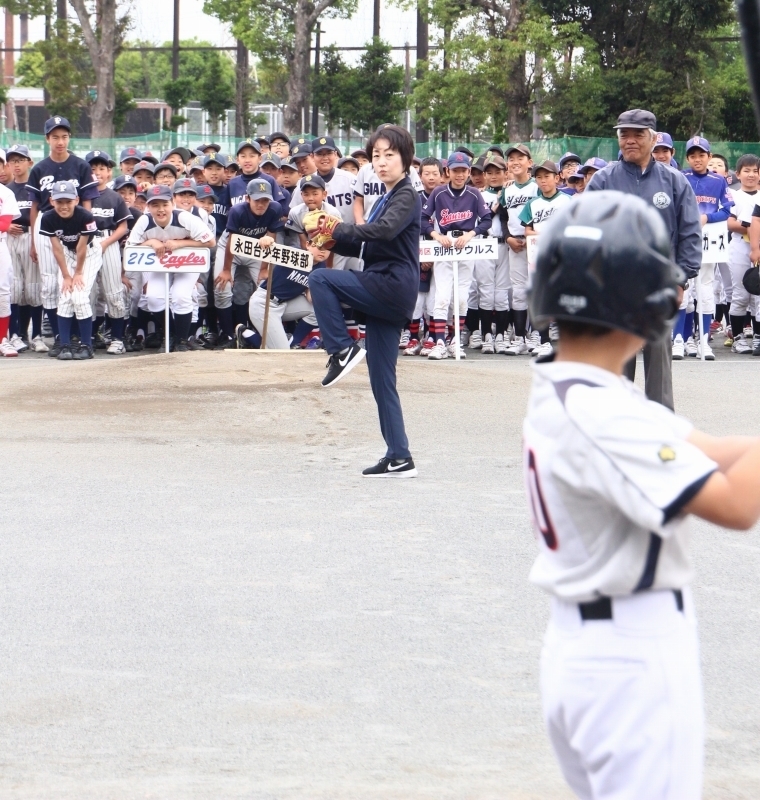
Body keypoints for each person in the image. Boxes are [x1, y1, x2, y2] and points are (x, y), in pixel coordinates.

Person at [524, 188, 760, 800]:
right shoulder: (604, 414)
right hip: (630, 661)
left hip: (590, 651)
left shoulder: (573, 387)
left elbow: (711, 450)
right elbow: (736, 505)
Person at [305, 124, 421, 477]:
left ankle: (342, 349)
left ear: (406, 159)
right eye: (376, 156)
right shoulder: (387, 197)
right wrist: (329, 240)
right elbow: (369, 244)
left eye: (390, 155)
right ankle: (399, 456)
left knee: (320, 278)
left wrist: (334, 227)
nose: (381, 162)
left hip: (391, 285)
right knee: (381, 380)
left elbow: (382, 232)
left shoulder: (407, 194)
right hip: (386, 287)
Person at [586, 108, 702, 411]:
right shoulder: (603, 181)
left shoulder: (675, 181)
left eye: (638, 134)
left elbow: (689, 232)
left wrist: (681, 280)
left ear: (653, 139)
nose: (630, 140)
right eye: (624, 134)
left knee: (659, 364)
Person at [27, 116, 99, 356]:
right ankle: (61, 338)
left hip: (77, 224)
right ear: (47, 139)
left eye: (64, 136)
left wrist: (86, 227)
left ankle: (78, 337)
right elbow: (34, 207)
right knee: (50, 284)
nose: (60, 141)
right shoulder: (39, 168)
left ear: (69, 138)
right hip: (47, 225)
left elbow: (86, 200)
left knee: (77, 286)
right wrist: (33, 241)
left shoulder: (80, 165)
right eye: (55, 137)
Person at [421, 151, 492, 361]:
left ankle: (455, 341)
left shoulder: (474, 193)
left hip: (465, 245)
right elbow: (423, 218)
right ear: (448, 171)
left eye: (463, 170)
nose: (459, 174)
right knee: (442, 295)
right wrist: (435, 235)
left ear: (469, 172)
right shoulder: (439, 192)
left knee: (461, 297)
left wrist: (471, 234)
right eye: (455, 170)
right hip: (445, 244)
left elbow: (486, 219)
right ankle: (439, 342)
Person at [127, 184, 215, 352]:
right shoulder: (145, 220)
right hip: (161, 263)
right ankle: (171, 334)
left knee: (180, 296)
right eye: (155, 205)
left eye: (165, 204)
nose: (161, 209)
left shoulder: (184, 217)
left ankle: (181, 341)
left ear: (172, 204)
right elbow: (131, 246)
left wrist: (181, 243)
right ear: (148, 206)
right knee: (153, 298)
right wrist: (151, 242)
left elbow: (210, 242)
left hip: (186, 261)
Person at [679, 136, 733, 361]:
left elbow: (727, 210)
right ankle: (680, 339)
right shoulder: (681, 177)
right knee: (684, 290)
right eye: (692, 155)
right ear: (687, 158)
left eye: (702, 155)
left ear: (709, 156)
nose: (697, 159)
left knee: (706, 289)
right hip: (684, 241)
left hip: (709, 243)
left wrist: (706, 218)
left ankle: (703, 341)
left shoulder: (718, 181)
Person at [214, 178, 283, 347]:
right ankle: (227, 335)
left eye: (265, 200)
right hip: (231, 247)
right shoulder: (237, 210)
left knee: (265, 289)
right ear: (247, 198)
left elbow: (271, 237)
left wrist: (264, 268)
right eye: (257, 200)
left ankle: (257, 335)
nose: (261, 204)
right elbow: (232, 241)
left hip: (256, 248)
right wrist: (226, 270)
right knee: (222, 288)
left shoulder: (275, 209)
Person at [39, 180, 101, 360]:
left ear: (77, 200)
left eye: (68, 201)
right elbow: (57, 248)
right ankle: (65, 345)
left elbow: (82, 247)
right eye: (59, 201)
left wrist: (78, 273)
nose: (64, 206)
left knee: (79, 297)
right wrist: (67, 276)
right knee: (65, 296)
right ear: (52, 201)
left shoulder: (85, 216)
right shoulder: (48, 217)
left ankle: (86, 345)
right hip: (67, 253)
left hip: (89, 253)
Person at [518, 160, 572, 358]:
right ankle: (544, 341)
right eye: (539, 177)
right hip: (539, 255)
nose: (543, 180)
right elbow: (527, 230)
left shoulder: (567, 200)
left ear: (557, 178)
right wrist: (541, 235)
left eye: (547, 176)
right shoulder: (533, 203)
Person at [85, 150, 133, 354]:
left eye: (101, 168)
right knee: (88, 293)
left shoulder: (114, 197)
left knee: (113, 292)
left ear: (109, 172)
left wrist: (106, 243)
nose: (97, 172)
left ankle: (117, 338)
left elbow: (123, 227)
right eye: (92, 168)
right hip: (87, 242)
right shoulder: (82, 195)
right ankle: (89, 337)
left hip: (109, 241)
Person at [497, 144, 538, 355]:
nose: (515, 162)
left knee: (537, 289)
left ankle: (538, 335)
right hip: (515, 244)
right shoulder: (507, 190)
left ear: (529, 163)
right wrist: (508, 238)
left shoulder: (537, 187)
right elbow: (503, 217)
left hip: (536, 243)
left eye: (520, 158)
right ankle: (520, 337)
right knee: (519, 291)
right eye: (511, 159)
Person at [6, 144, 45, 352]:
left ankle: (37, 335)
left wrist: (36, 242)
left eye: (20, 160)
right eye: (12, 160)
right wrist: (6, 226)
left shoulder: (35, 188)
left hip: (31, 235)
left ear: (29, 162)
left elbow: (41, 215)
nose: (16, 164)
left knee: (33, 288)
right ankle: (14, 334)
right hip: (11, 238)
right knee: (13, 289)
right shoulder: (7, 190)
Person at [726, 154, 760, 353]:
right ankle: (738, 338)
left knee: (758, 297)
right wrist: (751, 226)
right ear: (738, 174)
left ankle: (757, 337)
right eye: (746, 170)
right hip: (740, 245)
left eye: (755, 171)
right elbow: (730, 223)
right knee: (740, 294)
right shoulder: (733, 195)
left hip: (759, 246)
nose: (751, 174)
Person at [0, 160, 21, 357]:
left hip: (0, 244)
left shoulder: (6, 193)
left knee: (3, 293)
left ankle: (2, 340)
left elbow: (5, 223)